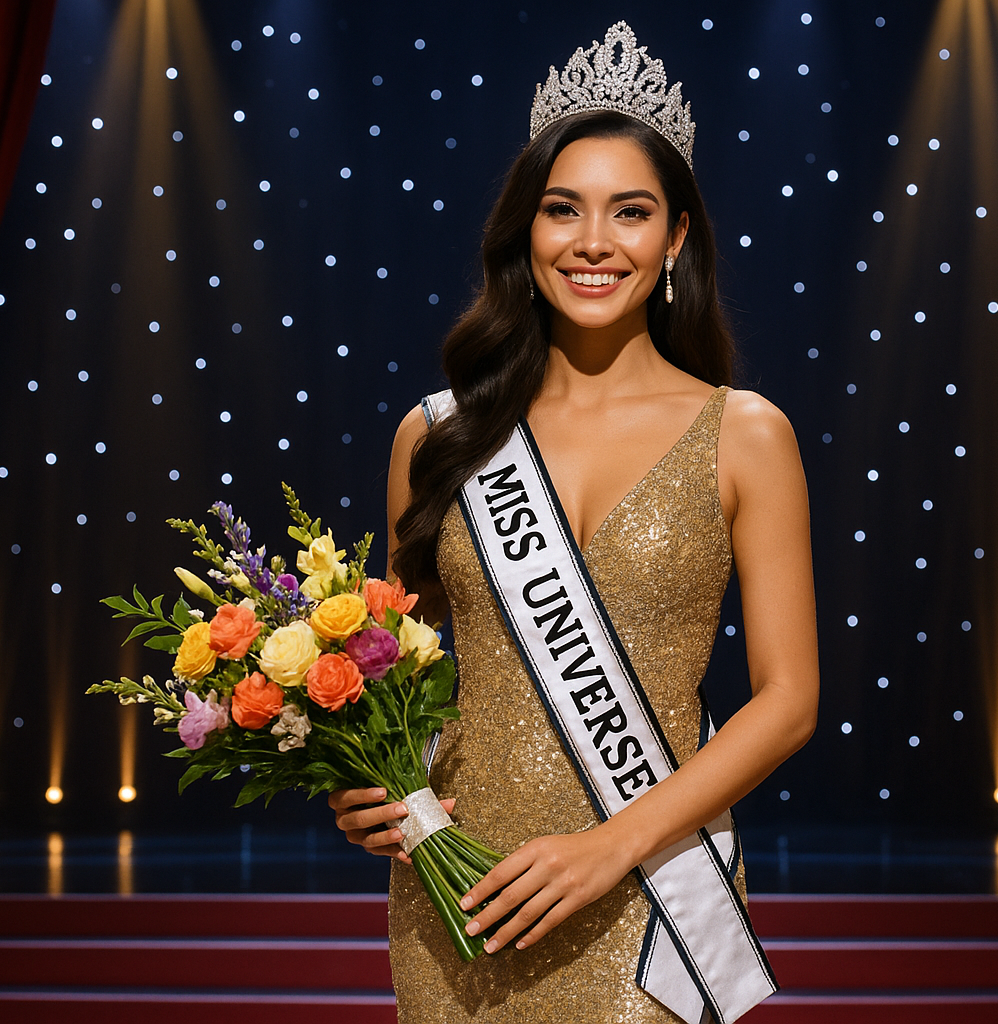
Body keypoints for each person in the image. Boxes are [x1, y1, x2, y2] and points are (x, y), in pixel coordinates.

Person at [328, 23, 819, 1023]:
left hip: (647, 885)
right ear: (525, 232)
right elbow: (399, 673)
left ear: (677, 237)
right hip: (463, 887)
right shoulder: (437, 434)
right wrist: (367, 786)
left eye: (630, 212)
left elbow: (789, 699)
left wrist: (610, 846)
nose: (594, 242)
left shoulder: (746, 434)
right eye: (564, 211)